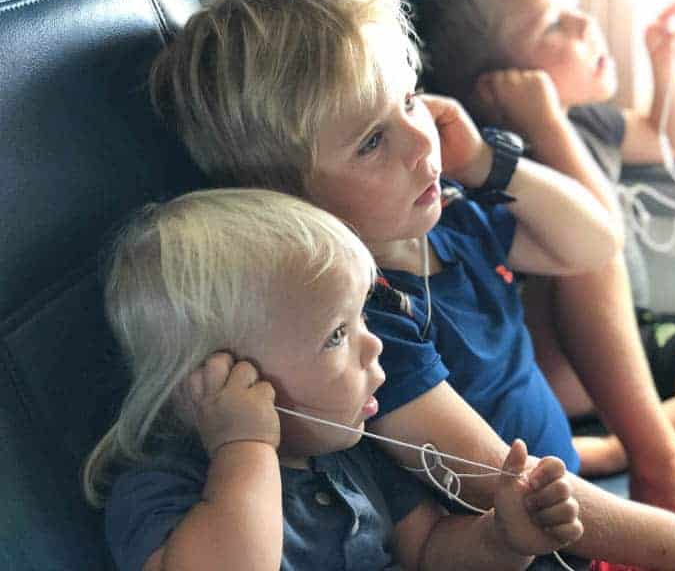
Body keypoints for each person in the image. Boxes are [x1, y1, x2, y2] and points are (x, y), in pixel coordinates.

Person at [145, 0, 675, 568]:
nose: (421, 140)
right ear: (291, 198)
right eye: (372, 141)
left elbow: (593, 245)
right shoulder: (364, 322)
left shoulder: (450, 219)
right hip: (543, 540)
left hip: (572, 494)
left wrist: (491, 162)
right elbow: (489, 473)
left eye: (409, 100)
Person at [422, 0, 675, 484]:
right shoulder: (507, 160)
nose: (585, 23)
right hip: (574, 371)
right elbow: (601, 235)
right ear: (499, 86)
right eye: (555, 24)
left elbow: (671, 136)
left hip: (634, 334)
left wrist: (663, 64)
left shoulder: (592, 121)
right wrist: (545, 126)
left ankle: (619, 445)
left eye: (576, 5)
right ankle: (633, 449)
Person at [82, 188, 586, 571]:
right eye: (337, 334)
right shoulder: (160, 488)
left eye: (363, 317)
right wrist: (245, 447)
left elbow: (430, 547)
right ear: (218, 378)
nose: (375, 344)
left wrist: (504, 537)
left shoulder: (345, 449)